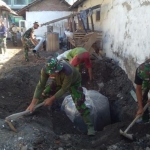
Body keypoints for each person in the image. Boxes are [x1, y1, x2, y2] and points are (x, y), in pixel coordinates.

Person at [26, 57, 95, 136]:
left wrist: (51, 99)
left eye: (53, 72)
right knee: (45, 93)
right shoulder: (45, 70)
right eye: (50, 73)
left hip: (74, 82)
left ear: (58, 69)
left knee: (79, 103)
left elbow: (63, 89)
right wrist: (33, 103)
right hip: (58, 81)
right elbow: (40, 86)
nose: (51, 74)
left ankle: (90, 127)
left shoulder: (67, 71)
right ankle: (33, 109)